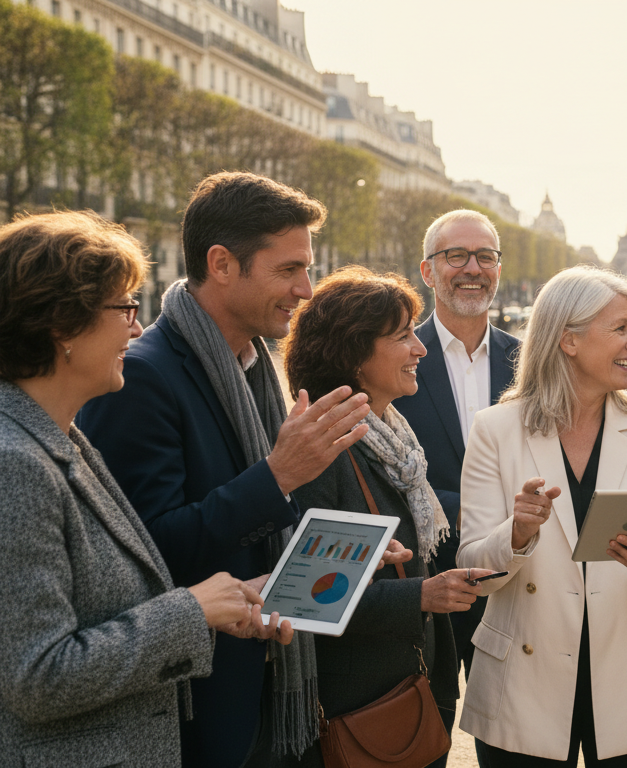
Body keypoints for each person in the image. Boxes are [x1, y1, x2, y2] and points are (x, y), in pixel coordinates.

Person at [78, 172, 377, 766]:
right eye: (289, 269)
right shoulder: (141, 376)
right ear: (221, 263)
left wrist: (332, 547)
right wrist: (279, 476)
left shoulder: (257, 368)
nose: (307, 289)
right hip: (199, 706)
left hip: (266, 688)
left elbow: (254, 529)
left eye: (307, 268)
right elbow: (147, 555)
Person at [0, 211, 292, 766]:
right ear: (62, 325)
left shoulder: (61, 440)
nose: (137, 330)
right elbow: (37, 676)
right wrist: (191, 611)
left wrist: (225, 602)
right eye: (125, 308)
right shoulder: (15, 462)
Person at [456, 266, 627, 766]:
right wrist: (516, 534)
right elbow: (472, 570)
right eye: (621, 329)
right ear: (568, 339)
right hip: (523, 687)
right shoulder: (495, 430)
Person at [282, 266, 483, 766]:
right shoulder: (325, 448)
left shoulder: (390, 437)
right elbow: (308, 600)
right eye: (403, 336)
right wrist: (423, 594)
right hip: (361, 707)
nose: (420, 349)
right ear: (353, 353)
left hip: (406, 691)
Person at [395, 208, 521, 768]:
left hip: (518, 579)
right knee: (423, 741)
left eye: (485, 256)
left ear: (498, 266)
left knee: (517, 744)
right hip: (425, 583)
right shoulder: (391, 357)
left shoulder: (534, 360)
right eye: (456, 257)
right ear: (427, 270)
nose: (473, 269)